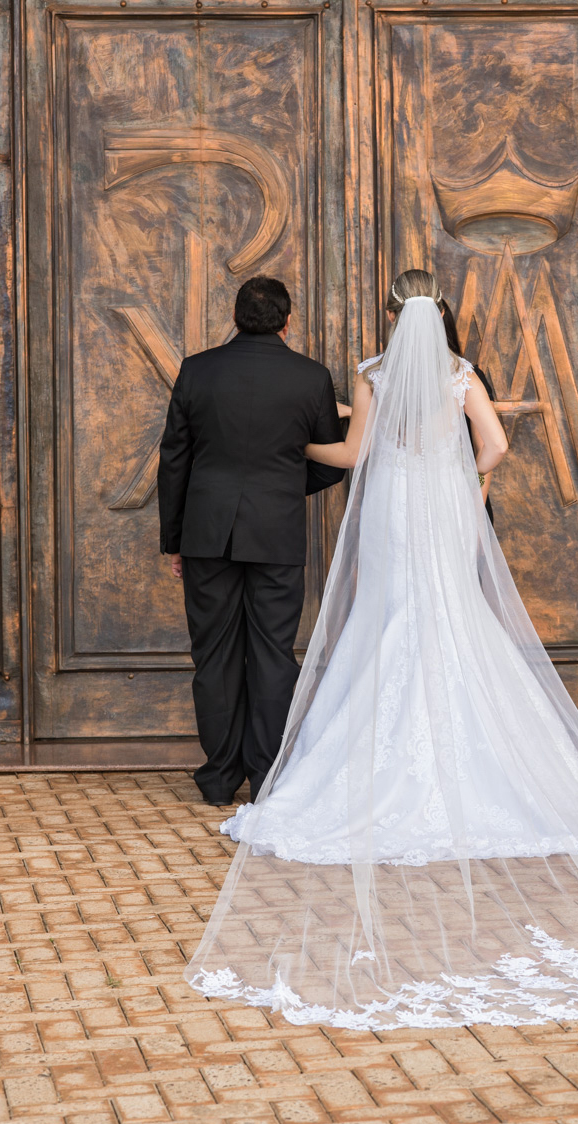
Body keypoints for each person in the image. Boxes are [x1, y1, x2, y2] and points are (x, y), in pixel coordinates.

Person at [185, 269, 578, 1029]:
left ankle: (352, 757)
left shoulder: (373, 374)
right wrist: (464, 485)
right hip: (441, 508)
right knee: (453, 618)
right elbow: (494, 443)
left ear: (388, 316)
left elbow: (349, 458)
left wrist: (289, 437)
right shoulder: (458, 373)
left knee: (385, 620)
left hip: (392, 512)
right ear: (437, 314)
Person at [157, 276, 345, 807]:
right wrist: (285, 488)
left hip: (205, 533)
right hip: (277, 532)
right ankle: (268, 780)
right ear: (288, 322)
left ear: (235, 317)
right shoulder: (310, 377)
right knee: (273, 655)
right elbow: (330, 462)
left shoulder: (197, 369)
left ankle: (218, 779)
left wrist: (174, 539)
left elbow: (174, 460)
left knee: (212, 655)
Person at [440, 299, 496, 525]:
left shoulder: (468, 377)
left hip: (464, 500)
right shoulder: (396, 381)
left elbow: (485, 447)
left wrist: (474, 516)